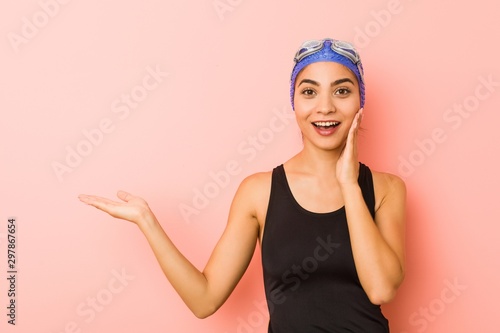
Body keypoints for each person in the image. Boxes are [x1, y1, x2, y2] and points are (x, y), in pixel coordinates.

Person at [79, 38, 406, 332]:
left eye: (342, 90)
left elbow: (381, 289)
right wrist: (147, 221)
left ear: (360, 101)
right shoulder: (259, 192)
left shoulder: (387, 189)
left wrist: (349, 183)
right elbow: (204, 300)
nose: (325, 107)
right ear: (294, 102)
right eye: (309, 91)